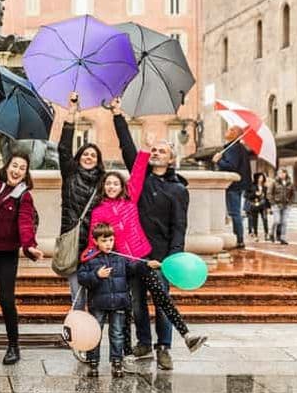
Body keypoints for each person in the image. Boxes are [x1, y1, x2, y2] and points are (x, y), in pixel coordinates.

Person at [85, 152, 207, 373]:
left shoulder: (130, 201)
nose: (112, 187)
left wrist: (145, 151)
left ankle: (186, 335)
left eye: (115, 183)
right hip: (123, 264)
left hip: (144, 258)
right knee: (132, 307)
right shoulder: (99, 211)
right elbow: (93, 240)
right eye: (108, 184)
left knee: (162, 297)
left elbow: (138, 173)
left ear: (122, 187)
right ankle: (131, 351)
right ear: (103, 187)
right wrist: (91, 260)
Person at [111, 97, 189, 370]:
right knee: (137, 303)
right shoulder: (140, 178)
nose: (155, 153)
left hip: (161, 257)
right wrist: (118, 115)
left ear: (171, 158)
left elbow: (179, 226)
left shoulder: (178, 189)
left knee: (162, 304)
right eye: (154, 150)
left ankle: (164, 347)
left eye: (161, 151)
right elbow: (128, 149)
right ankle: (144, 342)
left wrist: (172, 259)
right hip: (135, 254)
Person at [0, 130, 43, 365]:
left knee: (6, 298)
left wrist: (30, 245)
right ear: (8, 166)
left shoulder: (24, 196)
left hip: (7, 253)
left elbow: (25, 223)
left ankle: (14, 345)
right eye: (14, 165)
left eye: (22, 168)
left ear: (26, 173)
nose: (17, 170)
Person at [58, 91, 106, 311]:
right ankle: (76, 329)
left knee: (96, 296)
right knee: (77, 297)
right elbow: (63, 149)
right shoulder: (70, 174)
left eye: (93, 155)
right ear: (78, 158)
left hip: (95, 243)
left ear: (98, 161)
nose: (88, 157)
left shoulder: (103, 182)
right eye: (85, 154)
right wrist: (71, 114)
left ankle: (92, 332)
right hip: (73, 240)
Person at [77, 224, 139, 378]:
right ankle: (93, 362)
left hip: (118, 302)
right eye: (104, 241)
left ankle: (117, 362)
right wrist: (97, 275)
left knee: (117, 333)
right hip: (98, 303)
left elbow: (133, 270)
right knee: (95, 333)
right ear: (96, 241)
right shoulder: (90, 259)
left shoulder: (120, 258)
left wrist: (145, 265)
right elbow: (82, 278)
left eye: (111, 240)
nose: (108, 244)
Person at [212, 126, 253, 249]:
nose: (227, 131)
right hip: (238, 185)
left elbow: (231, 166)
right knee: (235, 213)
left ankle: (239, 240)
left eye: (231, 130)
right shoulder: (238, 148)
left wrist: (218, 160)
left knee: (234, 213)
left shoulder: (233, 148)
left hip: (233, 186)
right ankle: (239, 239)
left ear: (236, 135)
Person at [270, 169, 294, 245]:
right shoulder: (274, 182)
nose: (282, 174)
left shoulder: (290, 183)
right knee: (277, 221)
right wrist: (273, 203)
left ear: (286, 174)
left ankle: (283, 238)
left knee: (284, 222)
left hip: (286, 205)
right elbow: (269, 193)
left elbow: (292, 194)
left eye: (283, 173)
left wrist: (290, 203)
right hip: (276, 205)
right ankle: (271, 233)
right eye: (280, 173)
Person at [246, 173, 270, 242]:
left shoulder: (265, 187)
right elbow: (247, 195)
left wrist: (269, 207)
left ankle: (266, 234)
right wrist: (255, 194)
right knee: (255, 220)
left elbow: (267, 198)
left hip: (263, 205)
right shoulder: (251, 186)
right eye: (259, 178)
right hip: (254, 205)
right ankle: (255, 235)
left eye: (262, 178)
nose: (261, 179)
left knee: (265, 219)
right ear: (256, 178)